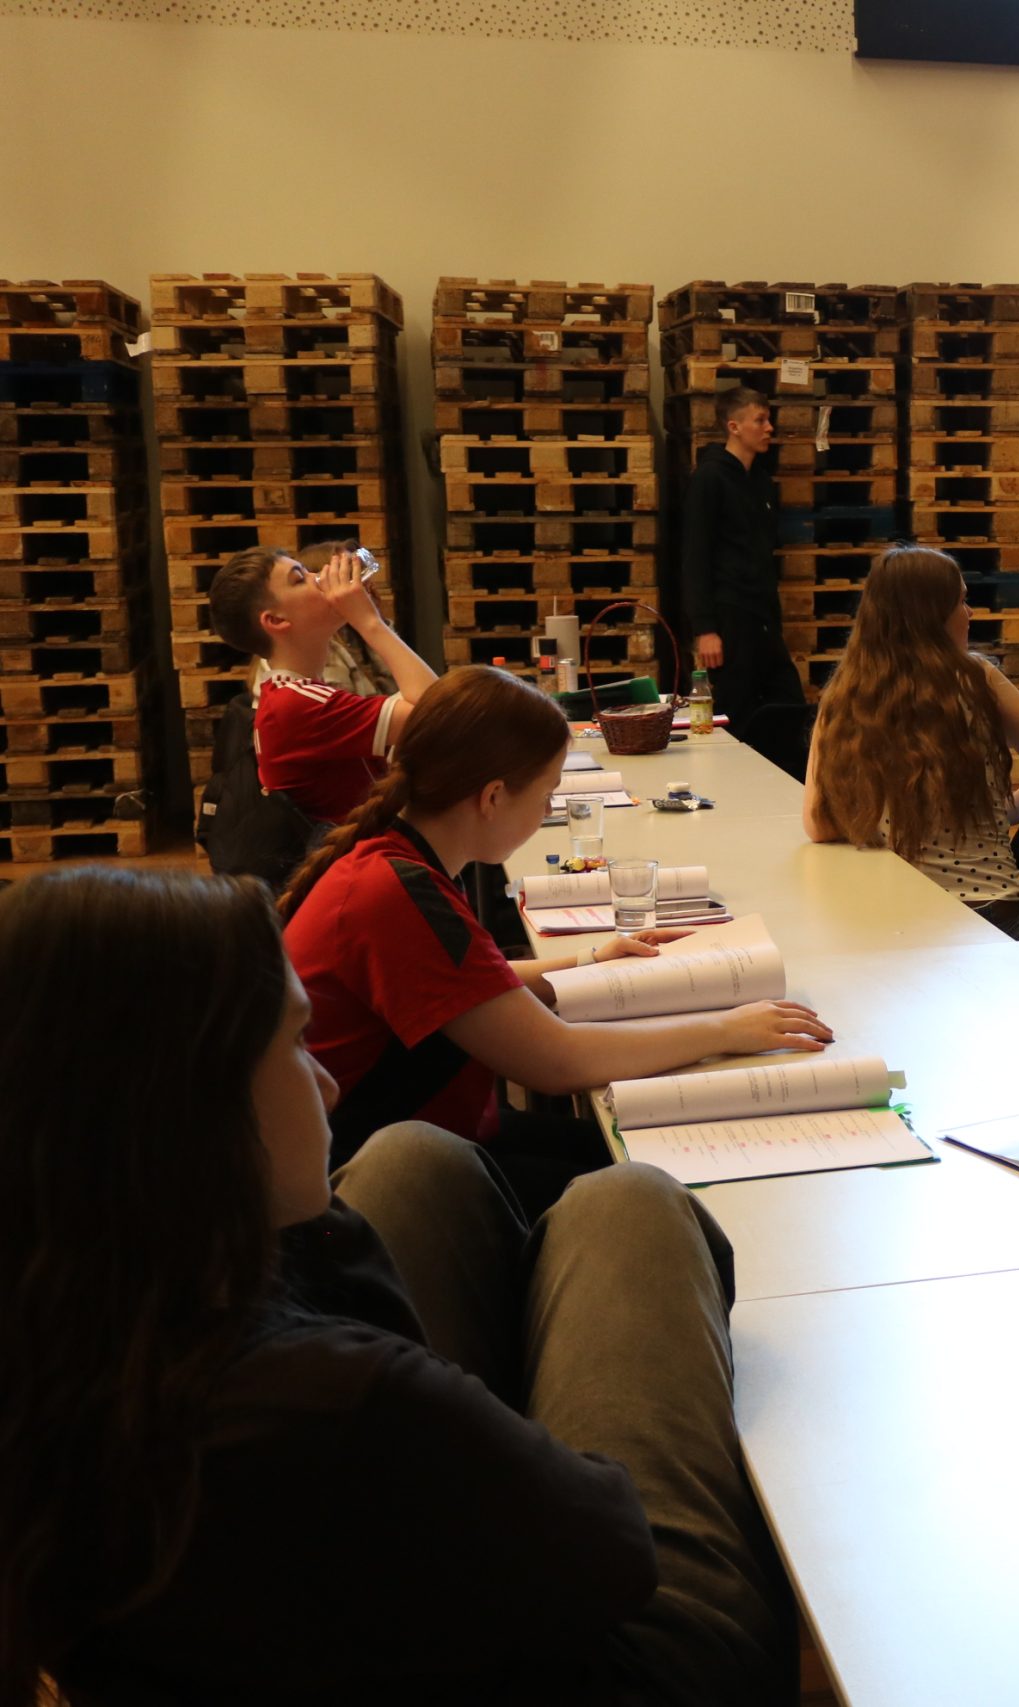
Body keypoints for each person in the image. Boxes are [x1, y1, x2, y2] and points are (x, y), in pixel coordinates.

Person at [0, 866, 798, 1704]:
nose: (327, 1083)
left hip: (331, 1610)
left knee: (411, 1153)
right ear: (196, 1111)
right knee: (629, 1204)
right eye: (296, 1045)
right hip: (637, 1646)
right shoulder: (339, 1397)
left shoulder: (67, 1325)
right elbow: (614, 1549)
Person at [278, 665, 833, 1205]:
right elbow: (558, 1062)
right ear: (493, 797)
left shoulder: (394, 860)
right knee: (663, 1183)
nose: (549, 809)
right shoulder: (394, 895)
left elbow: (469, 985)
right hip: (374, 1188)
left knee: (627, 1153)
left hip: (418, 1143)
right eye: (547, 795)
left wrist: (589, 961)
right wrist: (725, 1030)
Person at [802, 545, 1019, 934]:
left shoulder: (846, 696)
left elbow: (819, 826)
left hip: (891, 916)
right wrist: (994, 815)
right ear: (931, 615)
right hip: (989, 913)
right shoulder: (977, 680)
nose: (970, 614)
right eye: (961, 601)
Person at [204, 541, 440, 824]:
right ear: (276, 620)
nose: (321, 577)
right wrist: (369, 623)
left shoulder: (294, 692)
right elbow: (438, 713)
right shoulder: (296, 704)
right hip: (361, 847)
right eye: (300, 579)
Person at [679, 386, 803, 760]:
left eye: (768, 419)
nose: (769, 428)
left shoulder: (760, 482)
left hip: (763, 616)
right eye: (759, 420)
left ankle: (787, 783)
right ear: (734, 426)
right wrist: (705, 628)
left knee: (789, 702)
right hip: (730, 616)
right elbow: (695, 555)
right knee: (736, 710)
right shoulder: (710, 478)